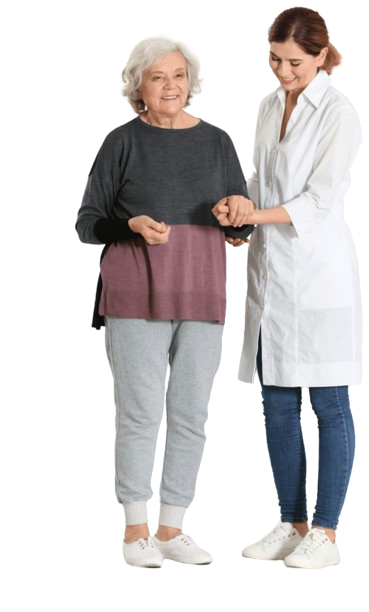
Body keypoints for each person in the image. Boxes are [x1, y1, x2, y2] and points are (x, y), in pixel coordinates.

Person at [76, 33, 254, 569]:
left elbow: (241, 228)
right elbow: (87, 225)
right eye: (158, 77)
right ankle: (135, 529)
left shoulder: (219, 141)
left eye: (178, 75)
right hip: (134, 293)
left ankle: (173, 526)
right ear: (139, 88)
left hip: (204, 292)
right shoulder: (121, 141)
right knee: (138, 412)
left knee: (192, 414)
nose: (171, 85)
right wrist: (128, 226)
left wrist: (238, 221)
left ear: (192, 83)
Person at [212, 7, 363, 570]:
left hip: (318, 271)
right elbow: (260, 180)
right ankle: (291, 521)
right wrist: (241, 218)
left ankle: (326, 531)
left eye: (294, 62)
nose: (282, 72)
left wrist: (259, 214)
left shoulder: (340, 114)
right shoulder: (268, 105)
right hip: (271, 269)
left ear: (321, 56)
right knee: (276, 401)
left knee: (327, 400)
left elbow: (321, 201)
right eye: (273, 59)